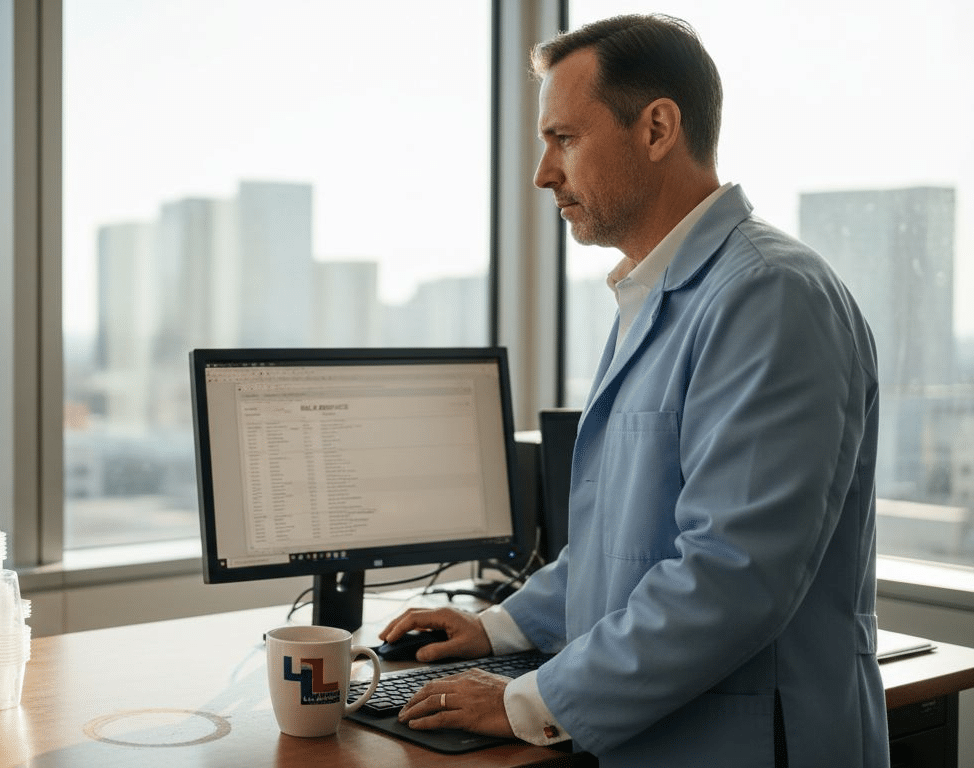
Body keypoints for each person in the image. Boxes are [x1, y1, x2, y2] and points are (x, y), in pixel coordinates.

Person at [380, 13, 888, 767]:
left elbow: (731, 576)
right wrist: (502, 628)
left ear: (656, 129)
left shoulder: (769, 295)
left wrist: (530, 700)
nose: (543, 173)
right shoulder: (661, 294)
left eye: (566, 139)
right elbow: (628, 545)